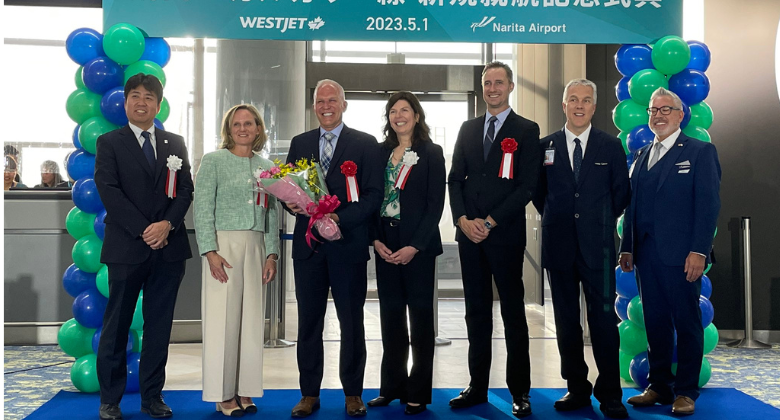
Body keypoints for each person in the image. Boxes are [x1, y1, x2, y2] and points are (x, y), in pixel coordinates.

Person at [94, 73, 194, 420]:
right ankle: (110, 400)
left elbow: (185, 191)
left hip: (169, 248)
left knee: (159, 326)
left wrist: (167, 225)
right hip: (127, 248)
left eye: (149, 97)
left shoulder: (174, 144)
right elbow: (109, 191)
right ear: (125, 103)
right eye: (135, 96)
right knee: (117, 325)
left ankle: (152, 396)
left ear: (159, 104)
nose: (142, 102)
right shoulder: (109, 142)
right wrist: (145, 230)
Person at [284, 79, 383, 418]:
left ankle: (353, 393)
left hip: (348, 247)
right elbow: (289, 189)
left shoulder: (365, 144)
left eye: (332, 100)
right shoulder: (300, 143)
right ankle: (309, 394)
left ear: (343, 104)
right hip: (309, 248)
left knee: (351, 322)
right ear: (314, 106)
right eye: (320, 101)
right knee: (309, 323)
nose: (326, 105)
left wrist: (339, 219)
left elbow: (373, 196)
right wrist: (292, 206)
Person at [619, 87, 721, 416]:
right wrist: (628, 247)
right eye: (653, 110)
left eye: (665, 109)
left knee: (687, 323)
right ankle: (659, 386)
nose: (658, 115)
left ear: (680, 115)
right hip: (647, 257)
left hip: (683, 257)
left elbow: (708, 208)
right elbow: (632, 206)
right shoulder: (641, 155)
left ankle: (686, 391)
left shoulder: (700, 152)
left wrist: (699, 251)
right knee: (656, 322)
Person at [447, 61, 541, 418]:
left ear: (511, 86)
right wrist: (462, 219)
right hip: (469, 236)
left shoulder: (526, 130)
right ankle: (477, 386)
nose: (492, 88)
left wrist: (489, 221)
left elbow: (528, 186)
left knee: (513, 315)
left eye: (498, 82)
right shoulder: (468, 128)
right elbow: (455, 179)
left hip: (504, 236)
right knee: (476, 314)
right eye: (487, 83)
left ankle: (520, 391)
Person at [532, 79, 630, 418]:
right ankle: (576, 387)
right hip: (559, 247)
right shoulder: (545, 145)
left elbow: (621, 195)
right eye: (572, 99)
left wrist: (593, 221)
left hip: (598, 249)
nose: (579, 105)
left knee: (603, 323)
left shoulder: (610, 146)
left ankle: (610, 394)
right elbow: (537, 193)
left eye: (586, 100)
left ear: (594, 106)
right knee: (566, 322)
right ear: (563, 104)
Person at [194, 104, 280, 417]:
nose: (242, 128)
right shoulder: (213, 161)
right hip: (223, 247)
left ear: (258, 128)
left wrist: (272, 253)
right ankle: (222, 393)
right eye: (236, 124)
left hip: (256, 246)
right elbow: (202, 208)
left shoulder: (267, 165)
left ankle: (245, 390)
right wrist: (209, 250)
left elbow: (271, 213)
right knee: (222, 322)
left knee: (252, 323)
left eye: (249, 123)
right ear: (228, 129)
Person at [366, 92, 446, 415]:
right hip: (385, 245)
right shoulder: (379, 153)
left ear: (416, 114)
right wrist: (374, 240)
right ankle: (391, 387)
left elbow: (435, 204)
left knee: (421, 321)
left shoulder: (431, 152)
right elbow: (371, 198)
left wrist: (415, 246)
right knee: (391, 320)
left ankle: (418, 391)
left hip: (418, 247)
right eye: (393, 111)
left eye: (404, 110)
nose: (398, 116)